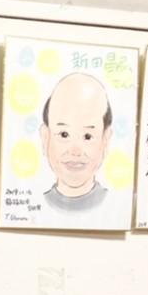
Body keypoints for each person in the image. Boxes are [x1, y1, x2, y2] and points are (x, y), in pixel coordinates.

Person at [38, 71, 115, 215]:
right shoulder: (36, 205)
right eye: (64, 134)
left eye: (87, 136)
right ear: (45, 138)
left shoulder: (115, 205)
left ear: (105, 140)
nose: (75, 151)